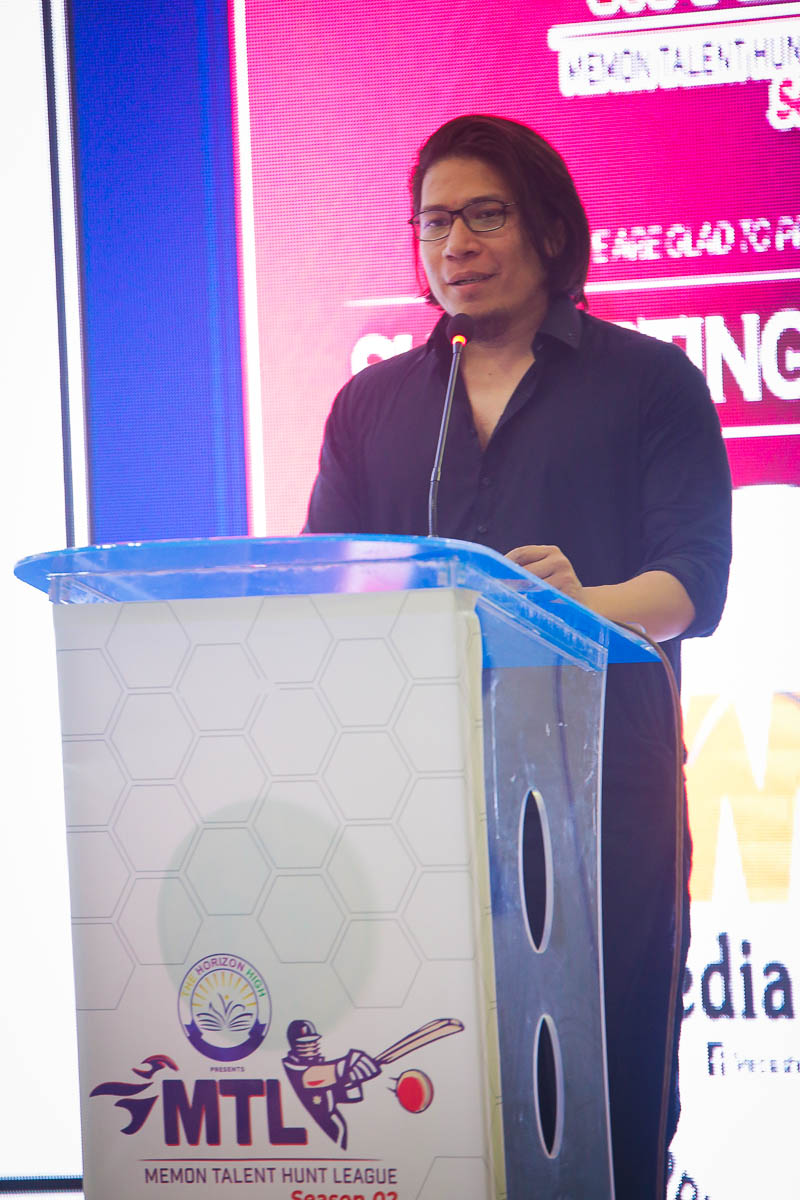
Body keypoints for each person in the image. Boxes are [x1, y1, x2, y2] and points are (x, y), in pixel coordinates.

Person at [304, 114, 732, 1198]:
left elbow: (693, 586)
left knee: (608, 1089)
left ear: (547, 228)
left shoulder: (648, 382)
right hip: (415, 799)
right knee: (436, 1094)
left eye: (484, 215)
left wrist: (578, 608)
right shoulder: (372, 406)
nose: (455, 244)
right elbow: (324, 593)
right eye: (433, 223)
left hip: (603, 797)